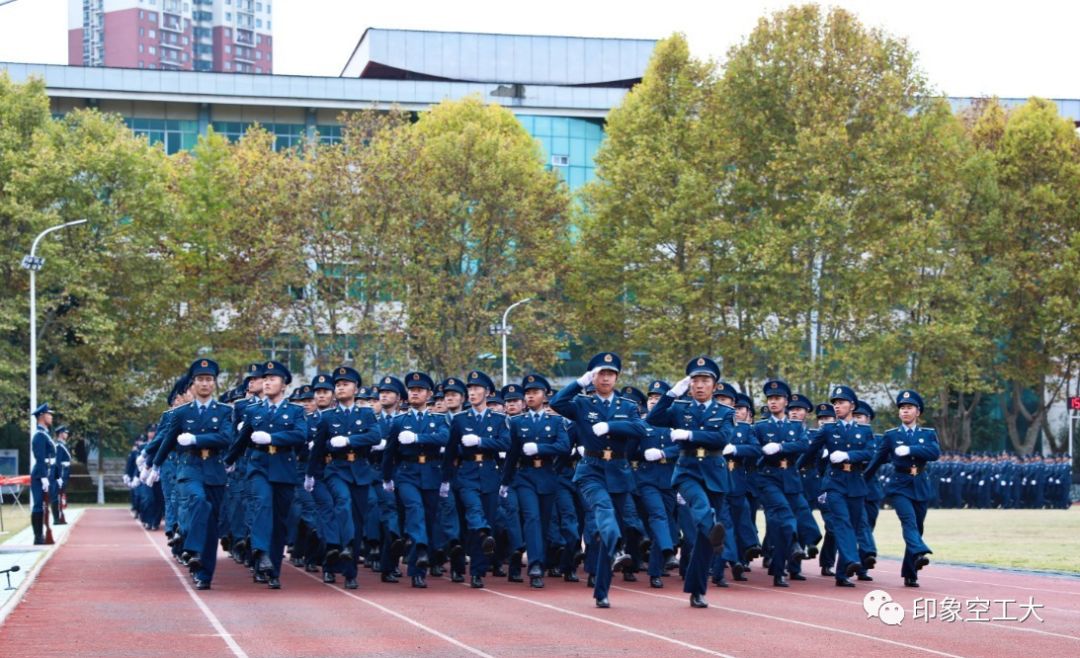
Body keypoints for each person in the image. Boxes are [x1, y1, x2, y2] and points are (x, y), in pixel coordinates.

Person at [550, 352, 647, 608]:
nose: (605, 378)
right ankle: (617, 548)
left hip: (618, 469)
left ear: (616, 377)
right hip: (591, 469)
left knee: (608, 532)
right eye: (600, 373)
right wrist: (578, 383)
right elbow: (558, 403)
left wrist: (612, 426)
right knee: (603, 510)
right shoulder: (582, 403)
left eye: (610, 374)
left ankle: (602, 589)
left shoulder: (627, 406)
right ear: (592, 377)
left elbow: (640, 429)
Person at [645, 356, 732, 608]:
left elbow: (722, 438)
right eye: (695, 381)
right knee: (700, 505)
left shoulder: (724, 412)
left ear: (714, 386)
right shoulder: (680, 408)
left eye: (705, 381)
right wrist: (671, 393)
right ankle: (713, 528)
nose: (699, 385)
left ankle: (697, 589)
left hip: (715, 472)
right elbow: (653, 419)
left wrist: (691, 434)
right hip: (687, 470)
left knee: (705, 540)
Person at [148, 358, 234, 590]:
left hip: (214, 470)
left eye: (209, 379)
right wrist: (154, 465)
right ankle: (192, 548)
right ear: (193, 384)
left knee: (211, 524)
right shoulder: (182, 413)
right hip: (190, 467)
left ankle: (204, 573)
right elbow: (167, 441)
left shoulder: (225, 411)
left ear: (214, 383)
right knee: (198, 501)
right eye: (200, 379)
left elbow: (227, 438)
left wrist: (197, 439)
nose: (205, 383)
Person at [228, 360, 308, 589]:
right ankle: (260, 553)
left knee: (280, 521)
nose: (267, 382)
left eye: (272, 379)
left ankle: (272, 568)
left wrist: (273, 439)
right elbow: (241, 441)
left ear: (283, 385)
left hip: (284, 466)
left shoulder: (295, 411)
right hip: (259, 465)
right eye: (265, 379)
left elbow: (300, 435)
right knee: (261, 504)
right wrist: (228, 462)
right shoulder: (253, 410)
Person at [864, 389, 940, 587]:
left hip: (920, 484)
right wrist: (863, 481)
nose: (905, 411)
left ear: (918, 412)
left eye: (909, 408)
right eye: (902, 408)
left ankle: (910, 571)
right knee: (909, 522)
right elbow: (876, 461)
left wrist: (911, 449)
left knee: (918, 526)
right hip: (899, 485)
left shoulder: (928, 434)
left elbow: (934, 453)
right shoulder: (891, 436)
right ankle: (920, 551)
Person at [500, 373, 570, 588]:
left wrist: (541, 448)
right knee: (531, 517)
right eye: (528, 393)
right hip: (525, 476)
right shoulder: (516, 422)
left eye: (535, 392)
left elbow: (564, 447)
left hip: (547, 475)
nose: (530, 396)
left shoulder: (556, 421)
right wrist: (505, 481)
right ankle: (535, 564)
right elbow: (512, 454)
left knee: (545, 521)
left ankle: (542, 559)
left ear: (545, 395)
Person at [30, 403, 58, 545]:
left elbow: (53, 459)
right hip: (40, 476)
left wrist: (55, 476)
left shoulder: (45, 434)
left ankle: (43, 533)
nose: (51, 417)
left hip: (47, 474)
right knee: (38, 505)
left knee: (45, 505)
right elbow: (40, 458)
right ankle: (38, 536)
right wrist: (43, 477)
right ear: (41, 416)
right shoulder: (39, 436)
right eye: (49, 414)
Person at [52, 425, 73, 525]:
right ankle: (56, 518)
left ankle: (60, 516)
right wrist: (58, 477)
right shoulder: (59, 446)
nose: (67, 434)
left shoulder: (63, 445)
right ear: (60, 434)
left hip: (64, 473)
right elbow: (57, 463)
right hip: (61, 474)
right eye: (65, 433)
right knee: (57, 496)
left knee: (61, 496)